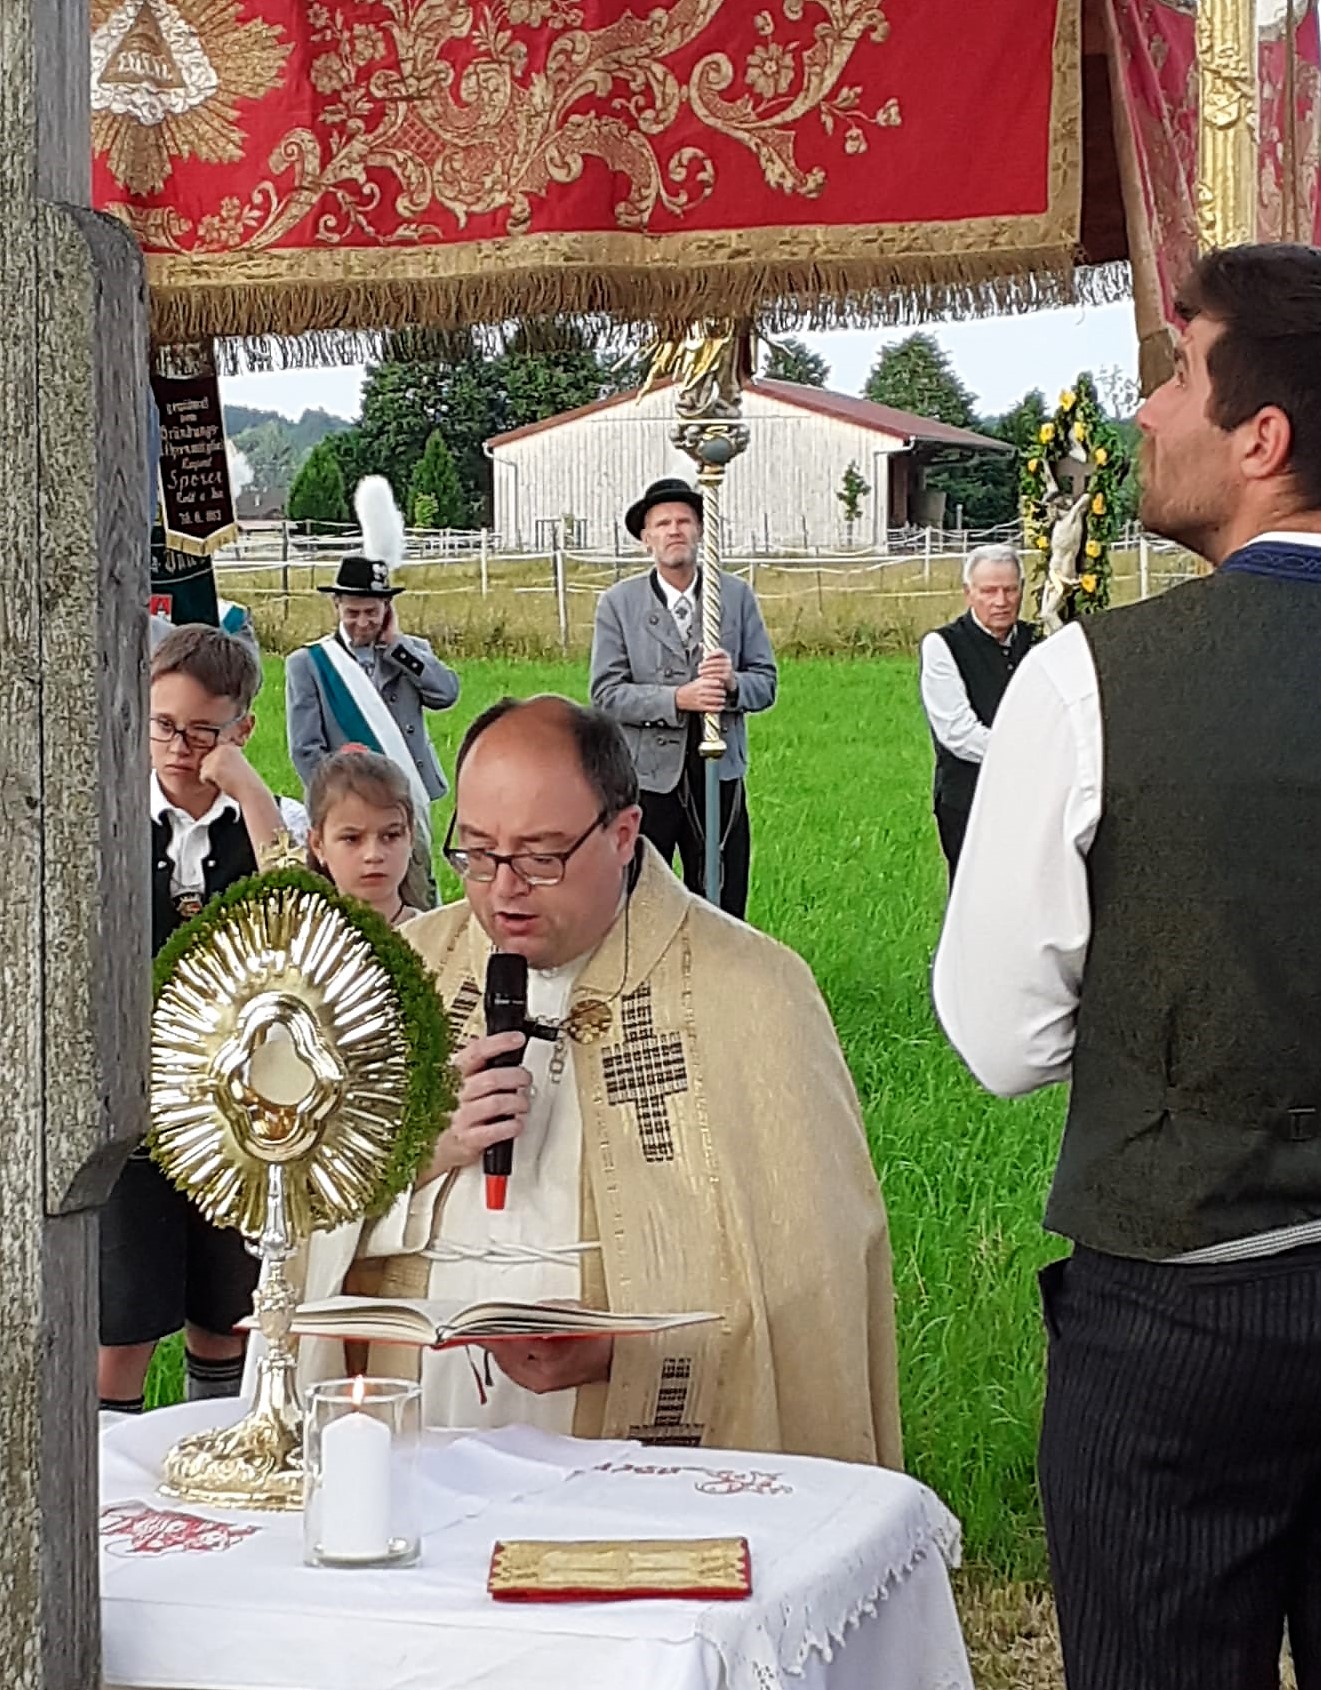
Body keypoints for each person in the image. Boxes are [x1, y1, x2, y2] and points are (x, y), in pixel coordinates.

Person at [932, 244, 1321, 1690]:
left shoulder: (1093, 675)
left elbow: (998, 1033)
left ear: (1261, 440)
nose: (1146, 413)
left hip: (1179, 1312)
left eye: (1175, 376)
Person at [281, 695, 900, 1466]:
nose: (502, 891)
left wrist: (621, 1350)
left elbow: (811, 1274)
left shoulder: (750, 991)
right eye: (475, 853)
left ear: (622, 833)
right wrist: (414, 1149)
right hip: (425, 1423)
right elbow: (291, 1220)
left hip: (640, 1443)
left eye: (540, 858)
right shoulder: (410, 972)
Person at [99, 625, 284, 1415]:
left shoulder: (269, 823)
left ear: (240, 730)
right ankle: (108, 1487)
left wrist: (251, 794)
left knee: (227, 1311)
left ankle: (220, 1440)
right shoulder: (106, 815)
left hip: (236, 1104)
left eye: (202, 731)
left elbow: (297, 918)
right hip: (133, 1099)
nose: (178, 747)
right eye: (164, 725)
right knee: (123, 1317)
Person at [590, 477, 777, 920]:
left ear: (700, 531)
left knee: (722, 900)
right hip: (649, 780)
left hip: (718, 772)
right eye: (663, 523)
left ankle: (720, 984)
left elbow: (766, 683)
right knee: (639, 900)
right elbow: (606, 694)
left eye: (684, 521)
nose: (674, 530)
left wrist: (732, 685)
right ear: (646, 538)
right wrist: (677, 699)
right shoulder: (619, 604)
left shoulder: (734, 597)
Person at [285, 476, 460, 905]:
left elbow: (446, 693)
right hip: (352, 804)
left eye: (372, 612)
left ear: (387, 611)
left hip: (408, 794)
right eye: (353, 613)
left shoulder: (408, 652)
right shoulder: (309, 664)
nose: (362, 622)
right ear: (337, 608)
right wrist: (338, 802)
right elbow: (305, 749)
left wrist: (396, 646)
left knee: (418, 893)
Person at [918, 544, 1034, 881]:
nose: (1001, 601)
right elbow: (957, 732)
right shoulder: (943, 646)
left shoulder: (1039, 640)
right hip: (970, 800)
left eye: (1010, 590)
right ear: (968, 593)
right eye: (989, 591)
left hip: (1033, 799)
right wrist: (1030, 754)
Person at [306, 748, 429, 925]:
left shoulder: (442, 941)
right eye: (352, 839)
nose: (373, 855)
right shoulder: (298, 944)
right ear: (318, 844)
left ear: (410, 837)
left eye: (390, 836)